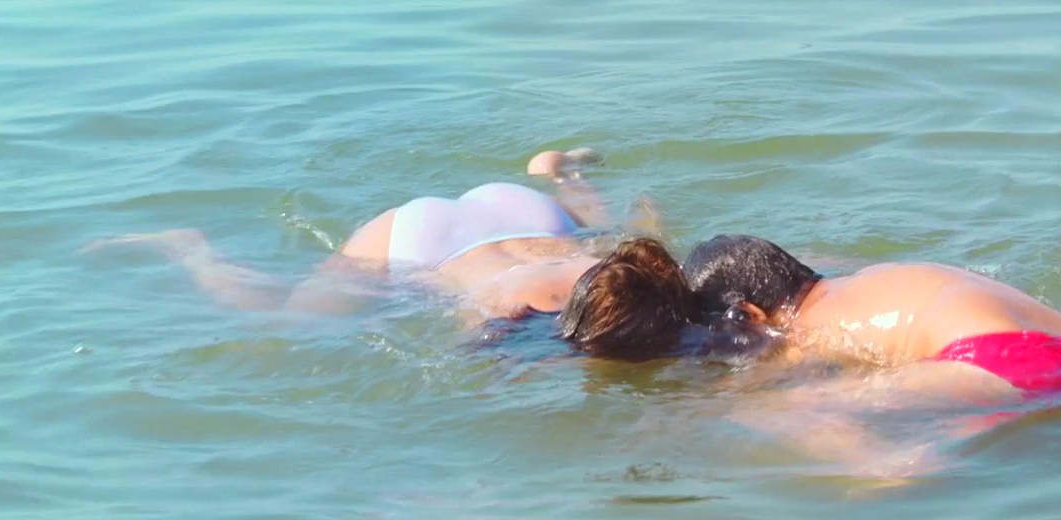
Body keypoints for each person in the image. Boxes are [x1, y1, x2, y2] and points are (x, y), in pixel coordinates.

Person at [83, 149, 713, 360]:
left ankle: (560, 173)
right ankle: (190, 248)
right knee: (288, 316)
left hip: (523, 216)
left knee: (608, 232)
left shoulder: (625, 278)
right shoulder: (515, 305)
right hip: (425, 238)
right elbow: (470, 352)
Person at [683, 235, 1061, 398]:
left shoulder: (805, 329)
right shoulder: (872, 278)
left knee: (794, 408)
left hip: (1000, 363)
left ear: (749, 313)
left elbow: (770, 377)